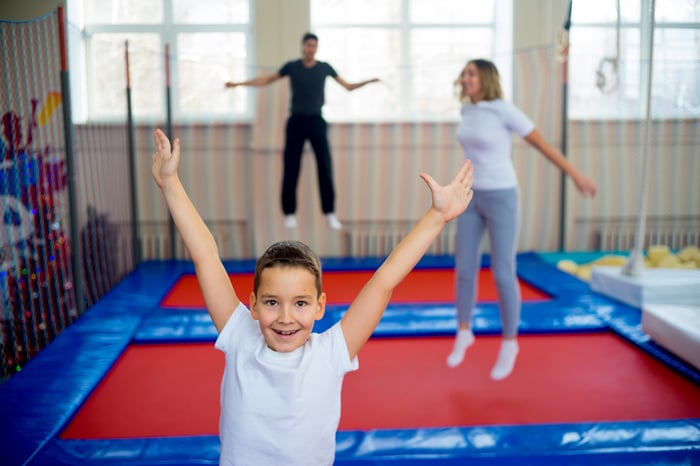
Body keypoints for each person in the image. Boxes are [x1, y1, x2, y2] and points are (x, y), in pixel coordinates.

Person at [151, 127, 473, 465]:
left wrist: (437, 217)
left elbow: (383, 282)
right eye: (272, 302)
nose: (286, 317)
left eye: (300, 303)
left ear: (320, 306)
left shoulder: (331, 352)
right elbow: (205, 255)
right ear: (254, 305)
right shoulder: (240, 336)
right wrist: (171, 184)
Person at [446, 59, 597, 380]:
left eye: (471, 73)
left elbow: (542, 145)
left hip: (502, 196)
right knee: (465, 268)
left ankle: (510, 342)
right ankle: (463, 331)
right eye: (464, 73)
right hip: (470, 197)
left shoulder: (504, 109)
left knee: (503, 271)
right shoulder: (467, 111)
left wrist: (576, 175)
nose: (465, 78)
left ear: (485, 78)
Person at [225, 32, 380, 230]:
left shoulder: (324, 68)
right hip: (296, 121)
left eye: (314, 46)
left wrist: (369, 81)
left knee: (325, 166)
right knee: (291, 166)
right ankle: (289, 212)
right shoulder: (292, 67)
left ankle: (329, 212)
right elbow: (266, 80)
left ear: (317, 48)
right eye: (308, 45)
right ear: (302, 47)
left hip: (316, 120)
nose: (310, 49)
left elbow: (348, 86)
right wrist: (238, 83)